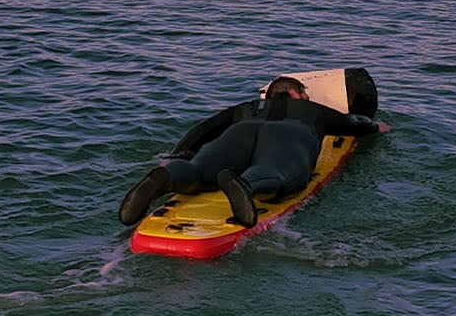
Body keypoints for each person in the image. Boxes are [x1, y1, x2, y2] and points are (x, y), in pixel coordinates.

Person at [118, 75, 385, 229]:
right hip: (291, 136)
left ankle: (164, 177)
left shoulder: (246, 108)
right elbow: (354, 124)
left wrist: (179, 154)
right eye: (304, 94)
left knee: (198, 170)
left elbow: (204, 129)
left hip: (240, 132)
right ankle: (245, 184)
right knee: (275, 172)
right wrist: (375, 127)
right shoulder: (312, 111)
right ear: (294, 93)